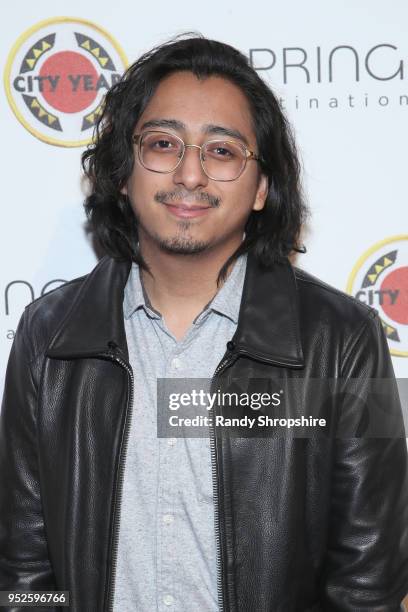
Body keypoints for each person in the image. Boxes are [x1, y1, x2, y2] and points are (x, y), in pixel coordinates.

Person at [0, 35, 407, 612]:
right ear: (122, 171)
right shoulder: (49, 337)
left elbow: (368, 583)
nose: (189, 174)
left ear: (263, 186)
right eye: (163, 144)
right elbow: (23, 569)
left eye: (221, 151)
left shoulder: (343, 341)